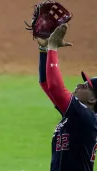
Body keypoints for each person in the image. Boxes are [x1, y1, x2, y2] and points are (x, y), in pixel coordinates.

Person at [38, 23, 97, 171]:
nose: (79, 85)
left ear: (93, 100)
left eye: (86, 86)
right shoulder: (75, 115)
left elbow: (56, 88)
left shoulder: (85, 117)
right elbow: (46, 84)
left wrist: (53, 48)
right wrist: (44, 49)